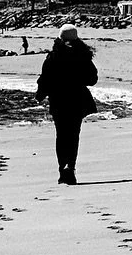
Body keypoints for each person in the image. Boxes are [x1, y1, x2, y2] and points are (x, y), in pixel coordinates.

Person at [36, 23, 97, 184]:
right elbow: (92, 79)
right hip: (77, 100)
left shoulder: (53, 56)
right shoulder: (82, 55)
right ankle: (71, 167)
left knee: (61, 135)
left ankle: (63, 168)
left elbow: (45, 79)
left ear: (59, 38)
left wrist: (40, 95)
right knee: (73, 134)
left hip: (59, 100)